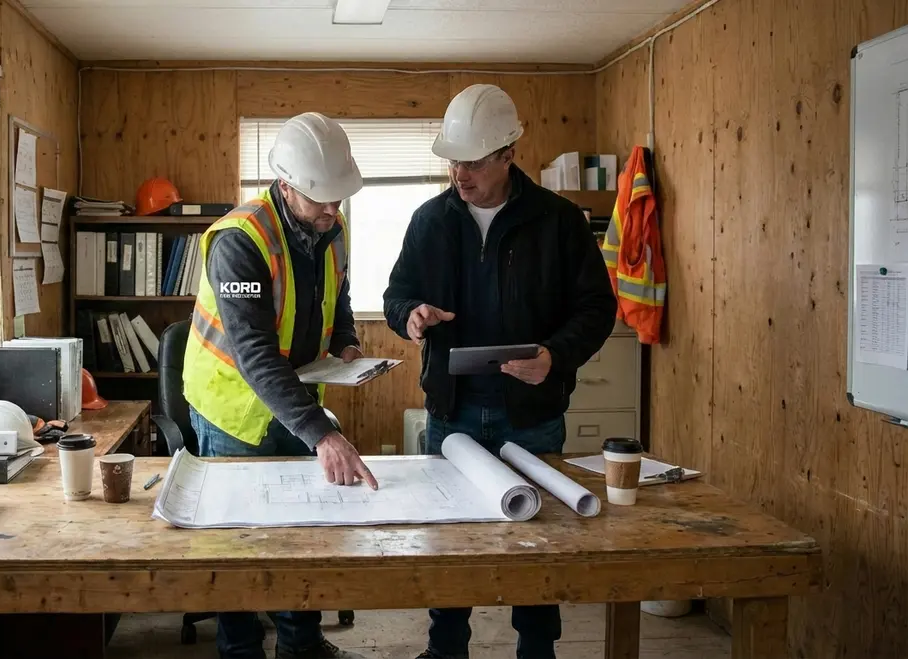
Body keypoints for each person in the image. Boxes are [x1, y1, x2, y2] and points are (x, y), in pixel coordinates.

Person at [383, 84, 617, 659]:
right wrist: (409, 317)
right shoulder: (429, 221)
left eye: (473, 161)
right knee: (452, 544)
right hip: (451, 413)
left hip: (532, 412)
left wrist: (555, 358)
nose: (459, 173)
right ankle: (447, 651)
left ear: (509, 154)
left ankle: (537, 651)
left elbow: (597, 308)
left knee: (538, 545)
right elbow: (396, 294)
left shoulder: (560, 222)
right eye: (452, 160)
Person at [181, 111, 376, 659]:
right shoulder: (239, 241)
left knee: (304, 531)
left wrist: (346, 342)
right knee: (239, 542)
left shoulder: (331, 225)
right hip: (232, 408)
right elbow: (256, 355)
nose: (334, 210)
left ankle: (302, 644)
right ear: (287, 186)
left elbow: (336, 296)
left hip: (295, 400)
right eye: (323, 199)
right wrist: (325, 435)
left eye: (340, 198)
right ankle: (241, 651)